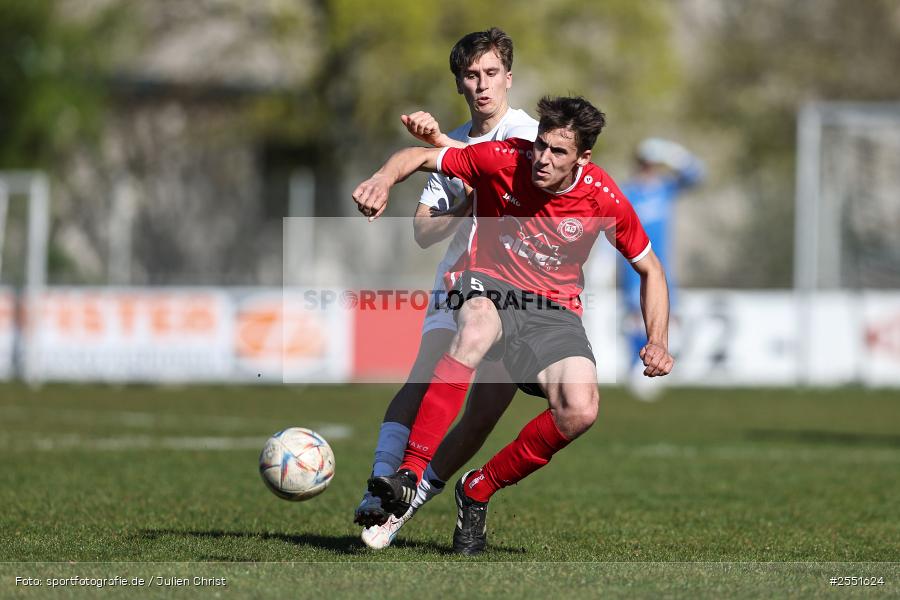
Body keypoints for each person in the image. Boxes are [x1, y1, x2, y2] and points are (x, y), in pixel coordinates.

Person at [353, 96, 674, 554]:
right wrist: (383, 179)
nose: (542, 158)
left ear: (583, 158)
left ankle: (477, 489)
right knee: (477, 327)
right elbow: (421, 156)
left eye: (558, 152)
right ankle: (409, 475)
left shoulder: (603, 197)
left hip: (553, 311)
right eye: (541, 145)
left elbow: (651, 269)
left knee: (578, 410)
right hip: (489, 285)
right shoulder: (505, 157)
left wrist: (658, 340)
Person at [354, 27, 539, 550]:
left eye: (490, 74)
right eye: (470, 75)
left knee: (484, 412)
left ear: (509, 77)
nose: (482, 85)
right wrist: (458, 194)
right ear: (459, 83)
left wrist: (437, 146)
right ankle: (381, 491)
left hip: (520, 282)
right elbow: (422, 229)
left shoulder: (529, 133)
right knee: (423, 376)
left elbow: (510, 170)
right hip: (461, 278)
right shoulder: (454, 142)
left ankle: (411, 499)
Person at [619, 138, 704, 400]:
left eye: (653, 164)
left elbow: (697, 175)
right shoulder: (627, 192)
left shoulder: (665, 189)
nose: (649, 169)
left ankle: (656, 365)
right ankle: (638, 368)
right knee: (636, 317)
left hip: (661, 263)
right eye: (645, 164)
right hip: (633, 264)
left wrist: (675, 154)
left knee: (666, 314)